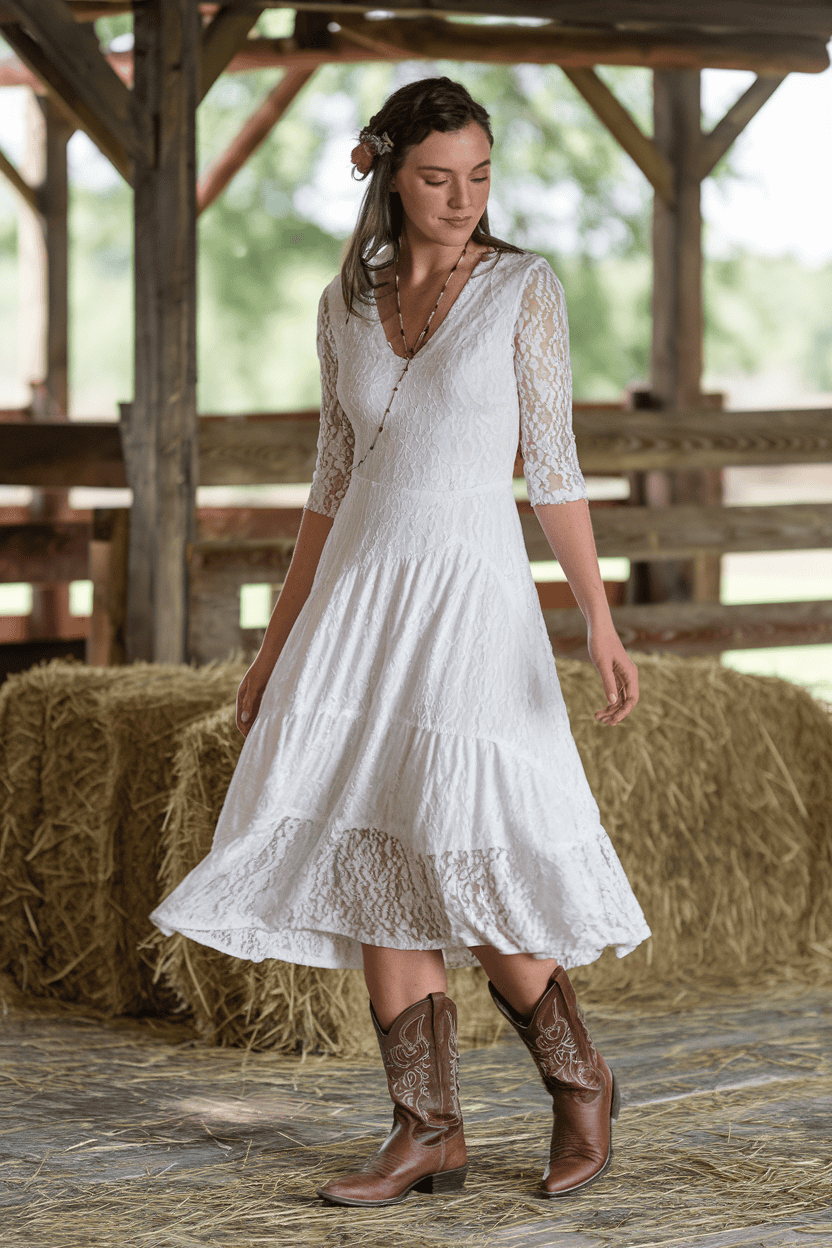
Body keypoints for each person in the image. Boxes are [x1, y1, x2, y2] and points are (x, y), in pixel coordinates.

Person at [150, 76, 651, 1208]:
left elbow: (554, 470)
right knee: (375, 845)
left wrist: (599, 620)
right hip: (358, 603)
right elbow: (330, 484)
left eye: (478, 175)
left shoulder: (524, 289)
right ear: (388, 175)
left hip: (471, 600)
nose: (462, 197)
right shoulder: (345, 303)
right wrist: (275, 649)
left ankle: (581, 1083)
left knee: (464, 851)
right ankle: (426, 1129)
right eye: (436, 177)